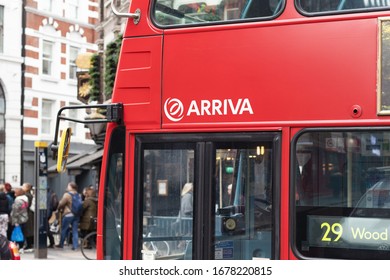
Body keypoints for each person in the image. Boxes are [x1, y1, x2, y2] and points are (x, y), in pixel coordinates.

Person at [56, 182, 80, 250]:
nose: (67, 187)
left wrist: (58, 208)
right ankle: (75, 246)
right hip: (76, 214)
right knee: (75, 230)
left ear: (71, 187)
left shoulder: (67, 195)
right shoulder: (78, 194)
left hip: (68, 214)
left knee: (64, 229)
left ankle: (61, 244)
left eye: (68, 186)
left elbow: (61, 203)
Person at [10, 185, 29, 250]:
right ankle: (22, 246)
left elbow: (15, 211)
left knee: (17, 233)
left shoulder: (18, 200)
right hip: (24, 217)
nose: (14, 194)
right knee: (22, 232)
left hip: (18, 219)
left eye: (15, 193)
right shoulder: (25, 199)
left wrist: (14, 221)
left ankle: (19, 246)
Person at [22, 183, 34, 251]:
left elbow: (26, 205)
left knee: (28, 229)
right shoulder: (30, 195)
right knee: (30, 229)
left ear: (27, 188)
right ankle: (30, 243)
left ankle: (29, 244)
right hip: (30, 213)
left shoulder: (26, 196)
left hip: (27, 214)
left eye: (23, 186)